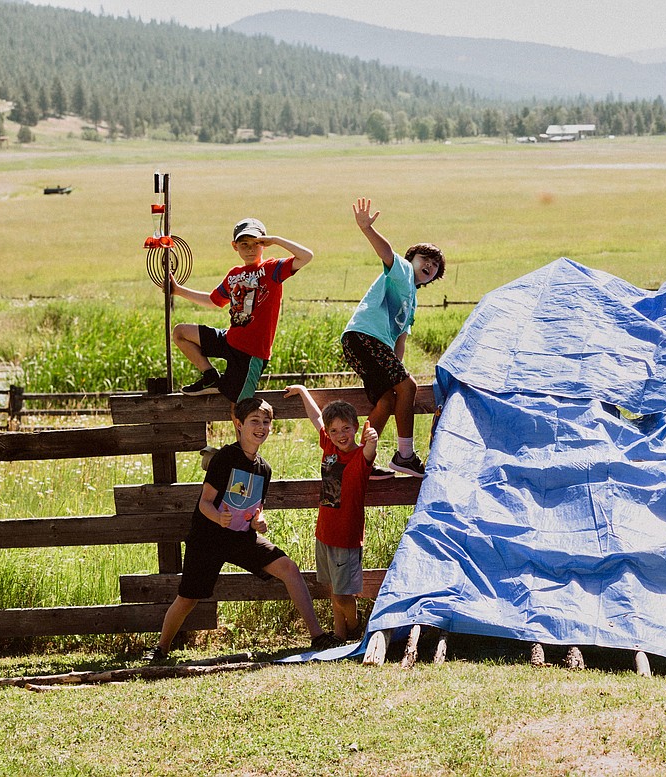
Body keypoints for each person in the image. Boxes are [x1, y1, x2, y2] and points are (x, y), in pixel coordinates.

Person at [145, 397, 339, 662]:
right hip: (208, 538)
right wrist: (218, 517)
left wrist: (259, 522)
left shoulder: (264, 468)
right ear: (239, 424)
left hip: (242, 537)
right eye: (254, 421)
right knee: (188, 598)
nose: (261, 427)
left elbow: (255, 508)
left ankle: (317, 636)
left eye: (266, 422)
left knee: (289, 568)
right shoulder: (225, 457)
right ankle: (161, 649)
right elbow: (204, 502)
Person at [341, 197, 445, 478]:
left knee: (387, 399)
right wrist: (367, 229)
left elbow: (400, 342)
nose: (429, 266)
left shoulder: (412, 303)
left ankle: (360, 460)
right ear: (411, 259)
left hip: (365, 343)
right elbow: (386, 252)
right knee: (409, 387)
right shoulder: (400, 272)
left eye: (434, 266)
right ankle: (405, 456)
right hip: (365, 336)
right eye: (426, 259)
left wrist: (396, 373)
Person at [163, 217, 313, 402]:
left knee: (239, 406)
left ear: (264, 244)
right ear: (235, 246)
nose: (250, 249)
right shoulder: (234, 275)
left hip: (251, 354)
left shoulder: (272, 269)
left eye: (255, 243)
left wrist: (275, 240)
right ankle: (210, 377)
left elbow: (306, 256)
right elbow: (213, 300)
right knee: (180, 333)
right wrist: (178, 291)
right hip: (230, 339)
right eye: (244, 244)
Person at [283, 384, 378, 640]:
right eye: (334, 430)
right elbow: (316, 418)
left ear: (356, 428)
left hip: (346, 536)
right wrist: (303, 391)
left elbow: (370, 452)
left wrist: (372, 441)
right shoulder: (330, 447)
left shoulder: (359, 457)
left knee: (341, 593)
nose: (340, 434)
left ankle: (355, 623)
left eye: (346, 428)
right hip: (324, 532)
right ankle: (339, 634)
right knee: (333, 588)